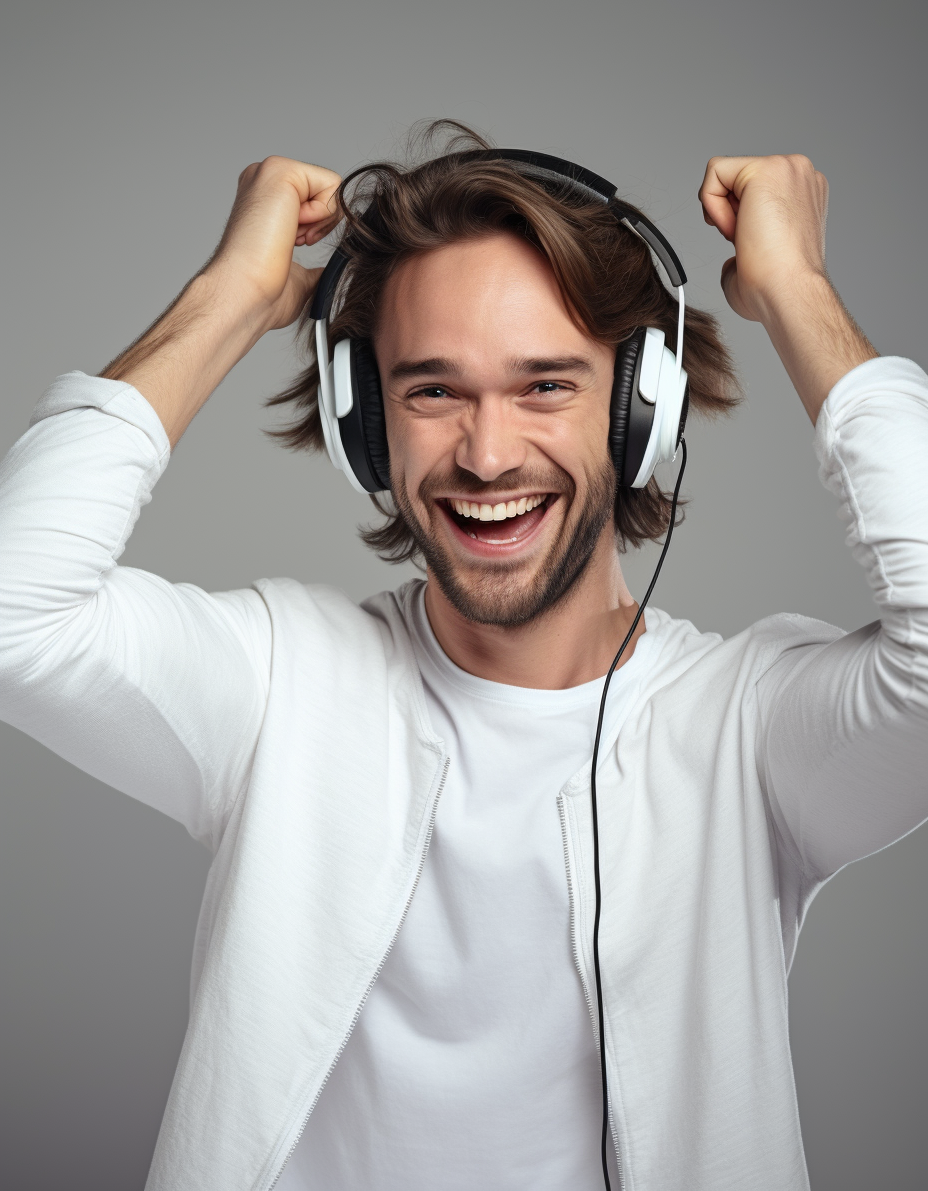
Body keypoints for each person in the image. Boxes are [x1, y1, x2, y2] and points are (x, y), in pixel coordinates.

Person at [0, 124, 926, 1191]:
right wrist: (230, 295)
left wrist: (796, 289)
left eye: (545, 386)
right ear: (364, 422)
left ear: (643, 408)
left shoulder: (749, 729)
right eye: (433, 390)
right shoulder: (280, 682)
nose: (487, 455)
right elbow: (20, 610)